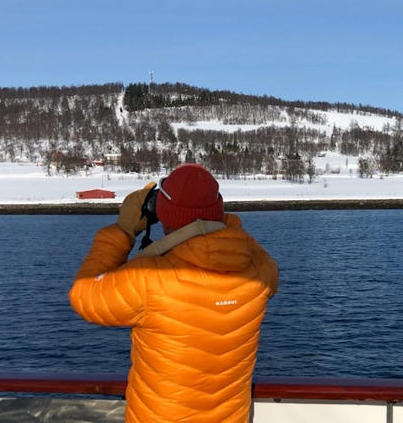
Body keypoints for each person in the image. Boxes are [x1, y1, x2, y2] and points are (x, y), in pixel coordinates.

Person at [69, 164, 279, 423]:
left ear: (164, 213)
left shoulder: (149, 278)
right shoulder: (258, 272)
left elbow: (85, 294)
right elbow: (246, 244)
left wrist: (124, 228)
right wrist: (213, 215)